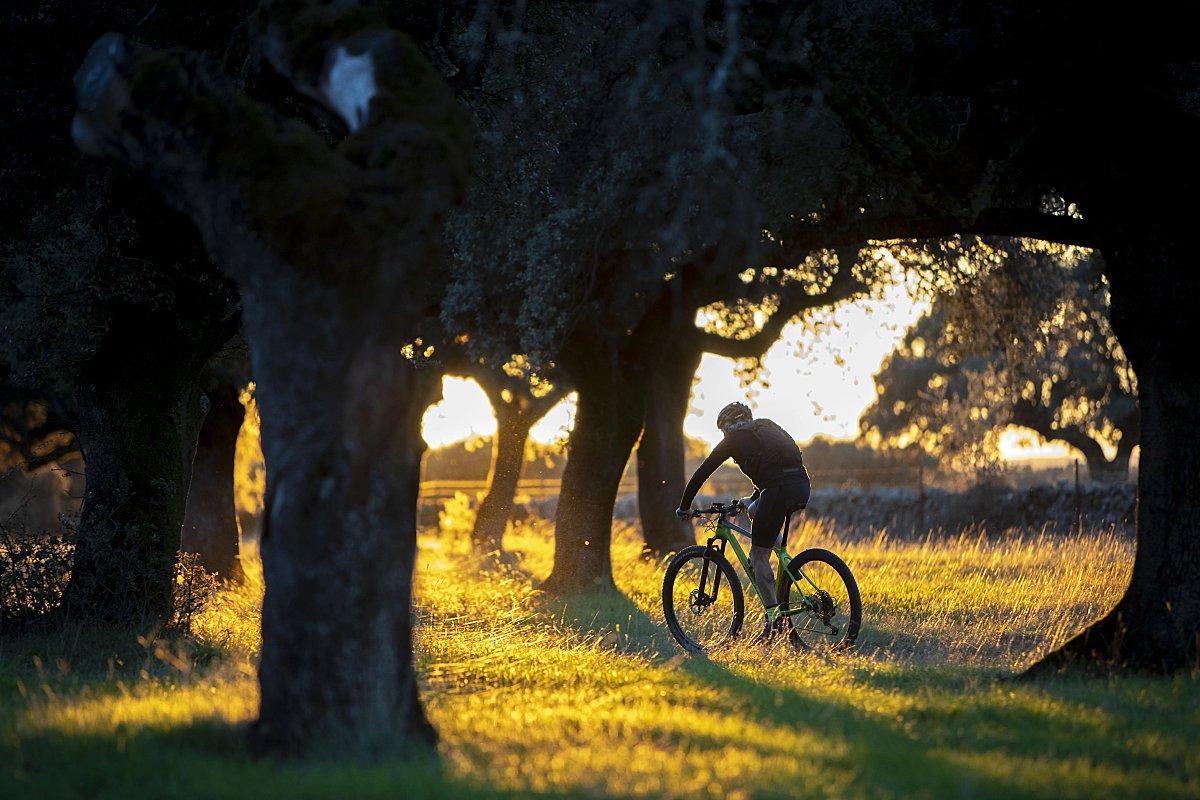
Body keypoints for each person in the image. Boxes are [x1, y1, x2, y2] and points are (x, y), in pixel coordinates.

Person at [676, 401, 810, 639]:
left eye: (722, 429)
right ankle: (783, 557)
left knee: (758, 557)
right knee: (753, 509)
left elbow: (703, 471)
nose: (723, 433)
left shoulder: (734, 439)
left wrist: (685, 506)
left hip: (778, 489)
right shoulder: (765, 428)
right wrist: (752, 498)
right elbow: (775, 469)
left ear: (728, 425)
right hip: (800, 484)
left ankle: (774, 623)